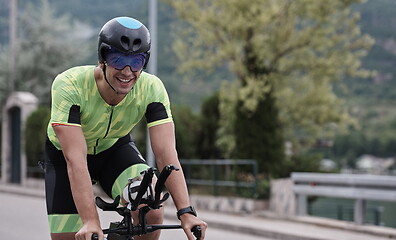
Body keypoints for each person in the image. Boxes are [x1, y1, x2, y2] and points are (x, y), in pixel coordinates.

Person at [44, 16, 207, 240]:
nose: (127, 71)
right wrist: (91, 220)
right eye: (118, 60)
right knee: (72, 236)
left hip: (114, 150)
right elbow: (75, 159)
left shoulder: (152, 88)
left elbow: (166, 154)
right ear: (103, 58)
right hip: (65, 158)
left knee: (151, 204)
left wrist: (186, 211)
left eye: (137, 61)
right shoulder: (69, 84)